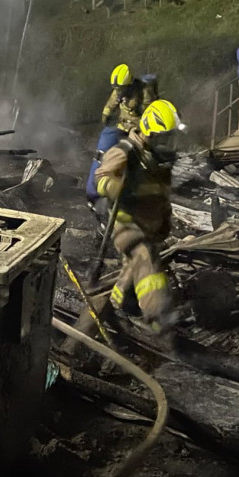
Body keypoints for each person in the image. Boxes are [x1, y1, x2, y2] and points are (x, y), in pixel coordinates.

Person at [93, 99, 183, 335]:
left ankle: (112, 306)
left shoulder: (158, 162)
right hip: (124, 222)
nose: (168, 144)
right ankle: (158, 320)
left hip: (147, 225)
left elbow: (161, 196)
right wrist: (114, 185)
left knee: (133, 268)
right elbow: (100, 179)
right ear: (150, 133)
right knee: (145, 257)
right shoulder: (126, 152)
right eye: (164, 138)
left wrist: (165, 221)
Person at [85, 64, 158, 204]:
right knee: (103, 147)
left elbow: (150, 114)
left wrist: (141, 130)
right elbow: (111, 103)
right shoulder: (119, 91)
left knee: (135, 158)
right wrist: (106, 113)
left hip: (136, 129)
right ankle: (93, 191)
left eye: (121, 89)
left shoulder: (144, 93)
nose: (119, 92)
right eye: (117, 89)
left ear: (129, 85)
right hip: (120, 125)